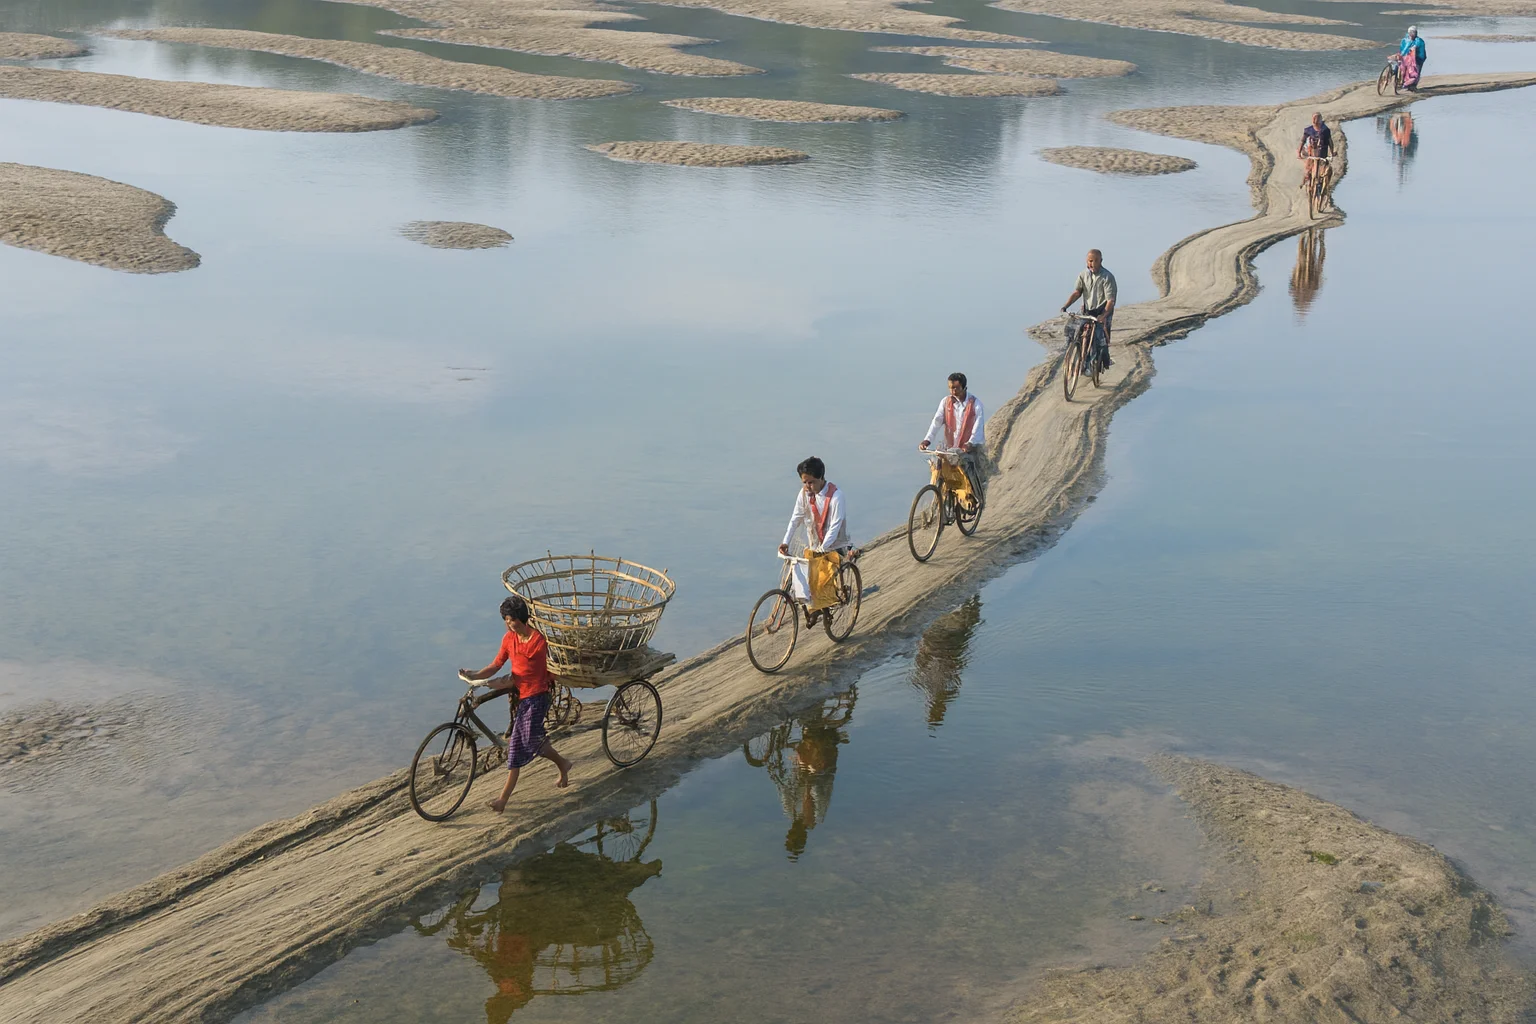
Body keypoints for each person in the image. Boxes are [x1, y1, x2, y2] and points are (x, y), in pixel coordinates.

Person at [461, 595, 572, 812]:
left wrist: (499, 683)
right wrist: (474, 675)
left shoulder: (537, 643)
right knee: (517, 748)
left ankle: (562, 764)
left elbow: (523, 674)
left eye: (509, 619)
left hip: (537, 697)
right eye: (505, 619)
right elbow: (495, 665)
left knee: (529, 743)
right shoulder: (508, 639)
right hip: (523, 697)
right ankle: (503, 800)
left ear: (518, 619)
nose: (506, 623)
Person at [778, 456, 851, 625]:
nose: (807, 487)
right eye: (804, 483)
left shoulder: (836, 496)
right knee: (803, 579)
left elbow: (835, 525)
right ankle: (816, 607)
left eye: (810, 482)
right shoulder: (804, 494)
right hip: (815, 546)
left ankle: (823, 607)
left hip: (836, 546)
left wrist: (824, 548)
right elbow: (795, 519)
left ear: (820, 478)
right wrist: (785, 542)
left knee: (820, 578)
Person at [919, 372, 987, 498]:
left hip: (969, 448)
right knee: (940, 468)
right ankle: (940, 500)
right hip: (950, 448)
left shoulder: (975, 404)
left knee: (970, 474)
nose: (953, 391)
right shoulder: (945, 402)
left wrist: (970, 443)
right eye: (950, 388)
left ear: (964, 388)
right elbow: (937, 421)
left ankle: (976, 498)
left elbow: (978, 426)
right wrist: (927, 440)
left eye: (956, 388)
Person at [1060, 249, 1116, 373]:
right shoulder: (1083, 275)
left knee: (1100, 339)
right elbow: (1077, 292)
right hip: (1087, 311)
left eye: (1096, 261)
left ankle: (1102, 362)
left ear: (1101, 261)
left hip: (1103, 311)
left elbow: (1110, 301)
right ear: (1087, 261)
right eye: (1090, 261)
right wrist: (1066, 306)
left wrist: (1104, 315)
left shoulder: (1107, 277)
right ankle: (1075, 355)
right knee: (1072, 329)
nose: (1093, 264)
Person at [1297, 111, 1333, 192]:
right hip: (1312, 153)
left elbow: (1330, 142)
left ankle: (1325, 186)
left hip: (1323, 153)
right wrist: (1299, 152)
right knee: (1308, 169)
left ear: (1320, 120)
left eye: (1316, 119)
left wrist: (1332, 152)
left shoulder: (1325, 130)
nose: (1314, 121)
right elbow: (1302, 141)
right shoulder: (1308, 130)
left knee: (1326, 170)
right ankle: (1304, 181)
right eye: (1313, 119)